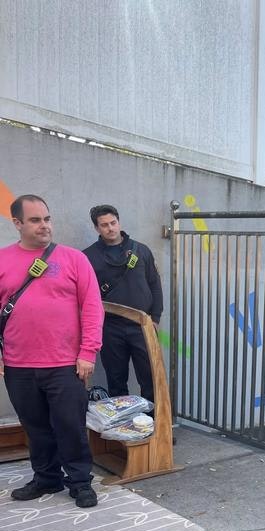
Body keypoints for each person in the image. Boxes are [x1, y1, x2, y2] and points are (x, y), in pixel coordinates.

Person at [0, 195, 103, 508]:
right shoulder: (3, 260)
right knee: (36, 427)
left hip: (66, 364)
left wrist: (88, 352)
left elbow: (92, 307)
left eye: (46, 218)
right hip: (18, 364)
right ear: (17, 223)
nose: (44, 225)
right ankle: (46, 478)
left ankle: (80, 482)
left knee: (71, 426)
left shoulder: (73, 259)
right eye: (35, 220)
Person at [83, 205, 163, 403]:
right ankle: (123, 422)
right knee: (116, 380)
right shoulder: (88, 257)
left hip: (142, 325)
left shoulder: (141, 250)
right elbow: (85, 295)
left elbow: (154, 284)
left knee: (150, 378)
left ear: (119, 222)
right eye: (104, 225)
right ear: (97, 228)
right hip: (110, 327)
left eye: (113, 223)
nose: (110, 228)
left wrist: (155, 318)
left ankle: (153, 421)